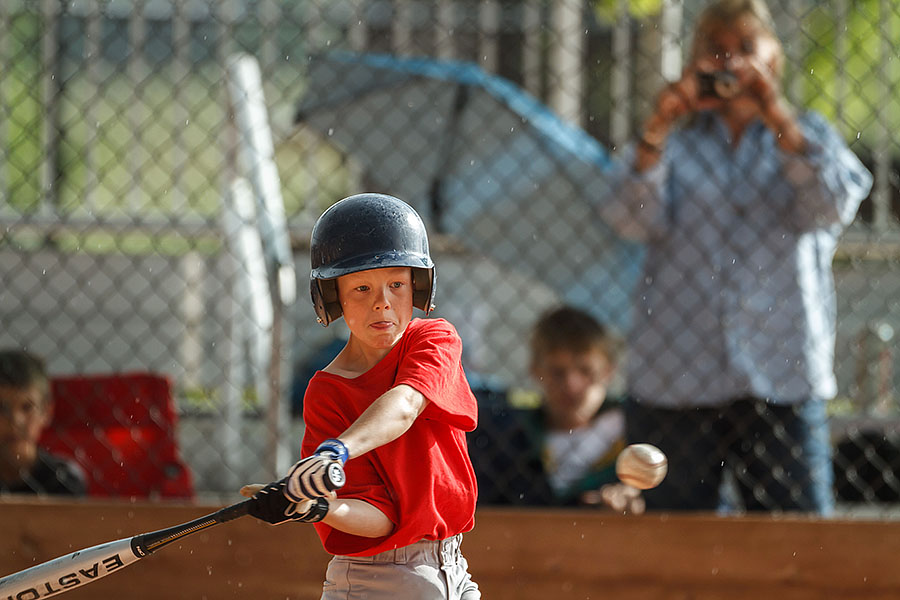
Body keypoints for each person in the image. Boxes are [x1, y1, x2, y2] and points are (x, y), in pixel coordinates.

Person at [596, 0, 873, 514]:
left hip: (782, 373)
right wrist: (658, 124)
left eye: (745, 47)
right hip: (676, 375)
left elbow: (832, 203)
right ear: (694, 62)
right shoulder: (674, 144)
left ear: (776, 57)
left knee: (799, 548)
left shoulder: (808, 134)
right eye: (715, 49)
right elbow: (629, 219)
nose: (730, 61)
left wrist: (779, 118)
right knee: (673, 546)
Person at [241, 193, 481, 599]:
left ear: (418, 288)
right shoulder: (327, 391)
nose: (382, 302)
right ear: (332, 297)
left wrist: (335, 451)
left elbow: (404, 405)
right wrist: (317, 507)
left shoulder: (434, 339)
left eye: (397, 285)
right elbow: (384, 519)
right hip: (377, 582)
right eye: (362, 287)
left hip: (452, 568)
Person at [469, 305, 644, 514]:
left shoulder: (633, 433)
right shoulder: (509, 439)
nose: (572, 385)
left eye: (586, 370)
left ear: (608, 371)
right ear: (535, 370)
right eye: (557, 372)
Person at [0, 349, 87, 496]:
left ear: (46, 412)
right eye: (2, 408)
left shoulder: (63, 479)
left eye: (27, 407)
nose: (15, 421)